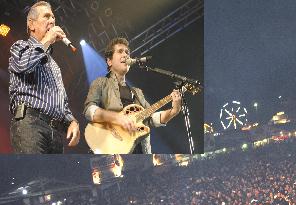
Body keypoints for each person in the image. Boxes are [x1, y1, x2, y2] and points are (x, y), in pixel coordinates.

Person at [83, 37, 182, 154]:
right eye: (120, 51)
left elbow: (150, 119)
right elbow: (89, 110)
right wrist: (117, 118)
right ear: (109, 61)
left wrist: (173, 111)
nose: (125, 55)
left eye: (127, 52)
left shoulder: (137, 92)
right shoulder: (100, 83)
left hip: (140, 152)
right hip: (111, 149)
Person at [8, 0, 80, 153]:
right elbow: (24, 65)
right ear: (31, 24)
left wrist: (72, 122)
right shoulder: (20, 46)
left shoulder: (54, 66)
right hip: (31, 125)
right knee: (35, 169)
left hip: (55, 133)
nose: (52, 21)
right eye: (46, 16)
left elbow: (61, 103)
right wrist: (47, 40)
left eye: (53, 17)